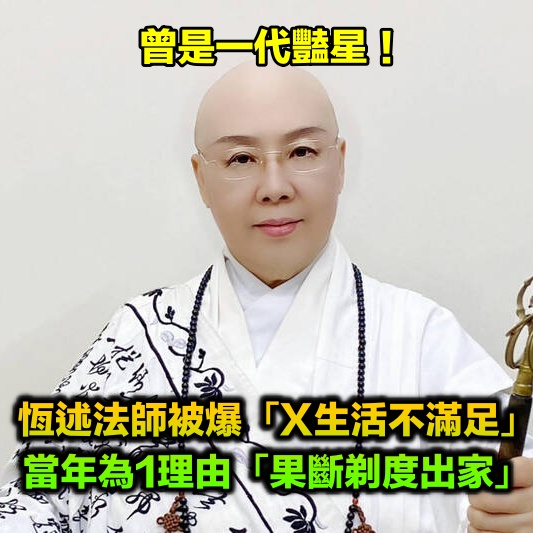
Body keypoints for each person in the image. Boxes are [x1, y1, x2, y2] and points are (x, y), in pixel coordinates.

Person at [1, 62, 532, 533]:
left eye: (302, 151)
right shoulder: (141, 336)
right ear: (201, 179)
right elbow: (29, 503)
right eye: (240, 158)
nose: (274, 186)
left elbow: (515, 484)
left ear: (340, 163)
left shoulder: (420, 338)